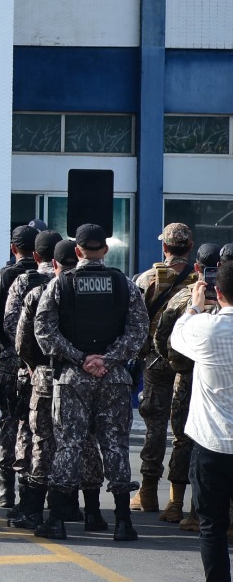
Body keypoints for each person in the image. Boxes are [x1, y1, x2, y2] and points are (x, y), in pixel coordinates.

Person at [33, 223, 148, 542]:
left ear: (78, 251)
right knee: (115, 445)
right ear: (106, 250)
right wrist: (108, 359)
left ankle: (56, 520)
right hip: (114, 379)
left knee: (69, 444)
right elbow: (139, 331)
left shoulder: (60, 284)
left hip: (71, 378)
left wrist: (79, 357)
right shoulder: (125, 284)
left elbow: (43, 330)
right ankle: (123, 522)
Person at [167, 263, 233, 582]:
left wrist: (194, 305)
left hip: (212, 445)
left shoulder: (205, 328)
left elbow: (177, 337)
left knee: (212, 528)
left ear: (216, 291)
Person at [133, 222, 198, 518]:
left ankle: (147, 492)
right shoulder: (199, 282)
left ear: (164, 247)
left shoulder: (147, 278)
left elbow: (134, 322)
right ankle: (177, 501)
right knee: (184, 430)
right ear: (190, 245)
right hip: (188, 363)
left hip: (156, 361)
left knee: (155, 426)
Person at [157, 242, 222, 534]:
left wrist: (175, 364)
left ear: (198, 268)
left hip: (186, 377)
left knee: (183, 439)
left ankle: (176, 505)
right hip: (220, 378)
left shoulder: (185, 297)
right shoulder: (226, 300)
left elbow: (163, 336)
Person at [0, 224, 42, 510]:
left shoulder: (4, 276)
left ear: (13, 248)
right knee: (42, 424)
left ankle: (5, 487)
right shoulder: (49, 275)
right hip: (44, 361)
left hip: (11, 358)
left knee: (10, 422)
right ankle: (37, 485)